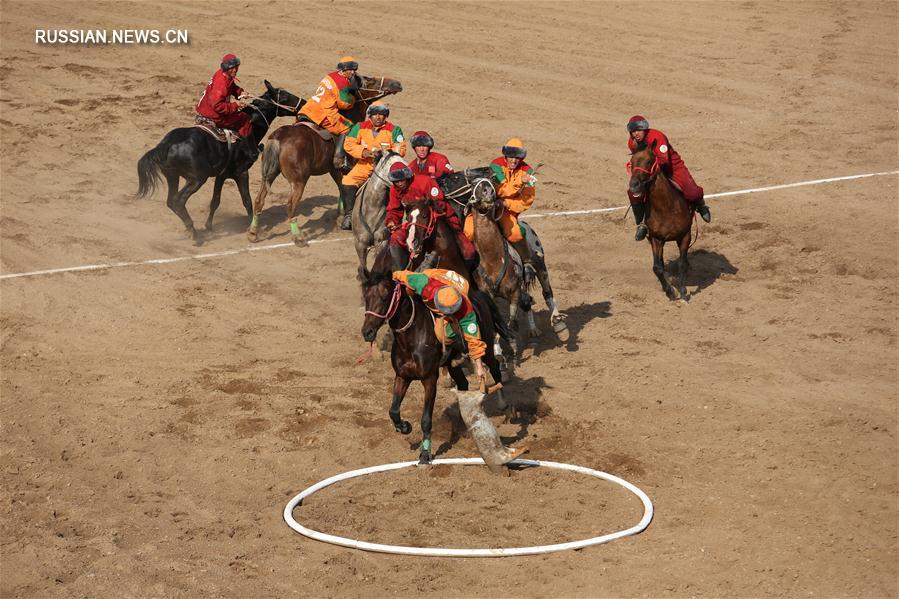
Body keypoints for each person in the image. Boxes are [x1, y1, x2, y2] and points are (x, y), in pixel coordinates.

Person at [626, 115, 711, 241]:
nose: (635, 134)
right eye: (633, 132)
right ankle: (642, 224)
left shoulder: (657, 137)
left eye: (638, 130)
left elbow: (664, 160)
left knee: (691, 190)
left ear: (645, 129)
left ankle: (700, 205)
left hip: (671, 167)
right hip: (649, 170)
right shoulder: (632, 143)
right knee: (633, 192)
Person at [392, 268, 487, 379]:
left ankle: (458, 350)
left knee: (442, 334)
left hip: (459, 283)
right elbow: (400, 275)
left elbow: (474, 339)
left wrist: (479, 367)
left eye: (453, 312)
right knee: (409, 291)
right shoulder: (424, 284)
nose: (450, 314)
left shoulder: (466, 310)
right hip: (436, 276)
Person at [385, 162, 477, 270]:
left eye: (402, 179)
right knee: (395, 238)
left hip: (440, 219)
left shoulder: (425, 182)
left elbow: (440, 203)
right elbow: (394, 210)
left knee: (469, 251)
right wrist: (392, 221)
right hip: (413, 224)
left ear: (408, 176)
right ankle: (400, 274)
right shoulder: (394, 190)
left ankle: (470, 278)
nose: (400, 183)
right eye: (396, 181)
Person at [464, 138, 537, 272]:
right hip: (487, 205)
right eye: (511, 156)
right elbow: (502, 189)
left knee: (515, 234)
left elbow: (527, 200)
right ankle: (464, 261)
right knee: (469, 231)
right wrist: (519, 182)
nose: (514, 161)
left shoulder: (528, 172)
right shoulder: (495, 166)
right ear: (505, 155)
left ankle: (527, 263)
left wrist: (506, 203)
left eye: (517, 157)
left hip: (507, 210)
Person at [339, 101, 407, 230]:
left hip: (385, 168)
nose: (378, 117)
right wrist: (364, 152)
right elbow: (348, 144)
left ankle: (400, 216)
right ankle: (349, 215)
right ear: (369, 116)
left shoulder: (395, 130)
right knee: (347, 180)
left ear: (386, 116)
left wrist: (383, 154)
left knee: (400, 186)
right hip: (364, 165)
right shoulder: (359, 127)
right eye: (375, 114)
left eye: (381, 114)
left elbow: (401, 149)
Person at [297, 56, 359, 170]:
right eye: (351, 69)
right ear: (344, 70)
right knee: (349, 127)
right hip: (323, 113)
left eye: (354, 69)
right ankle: (339, 158)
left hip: (308, 109)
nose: (353, 72)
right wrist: (353, 98)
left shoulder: (330, 76)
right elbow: (344, 103)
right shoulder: (342, 82)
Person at [195, 54, 258, 160]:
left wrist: (240, 93)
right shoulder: (221, 83)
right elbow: (217, 105)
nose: (235, 70)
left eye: (236, 67)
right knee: (245, 119)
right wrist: (235, 105)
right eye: (232, 68)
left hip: (205, 109)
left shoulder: (223, 74)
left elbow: (231, 87)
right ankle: (248, 151)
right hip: (214, 115)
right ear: (226, 67)